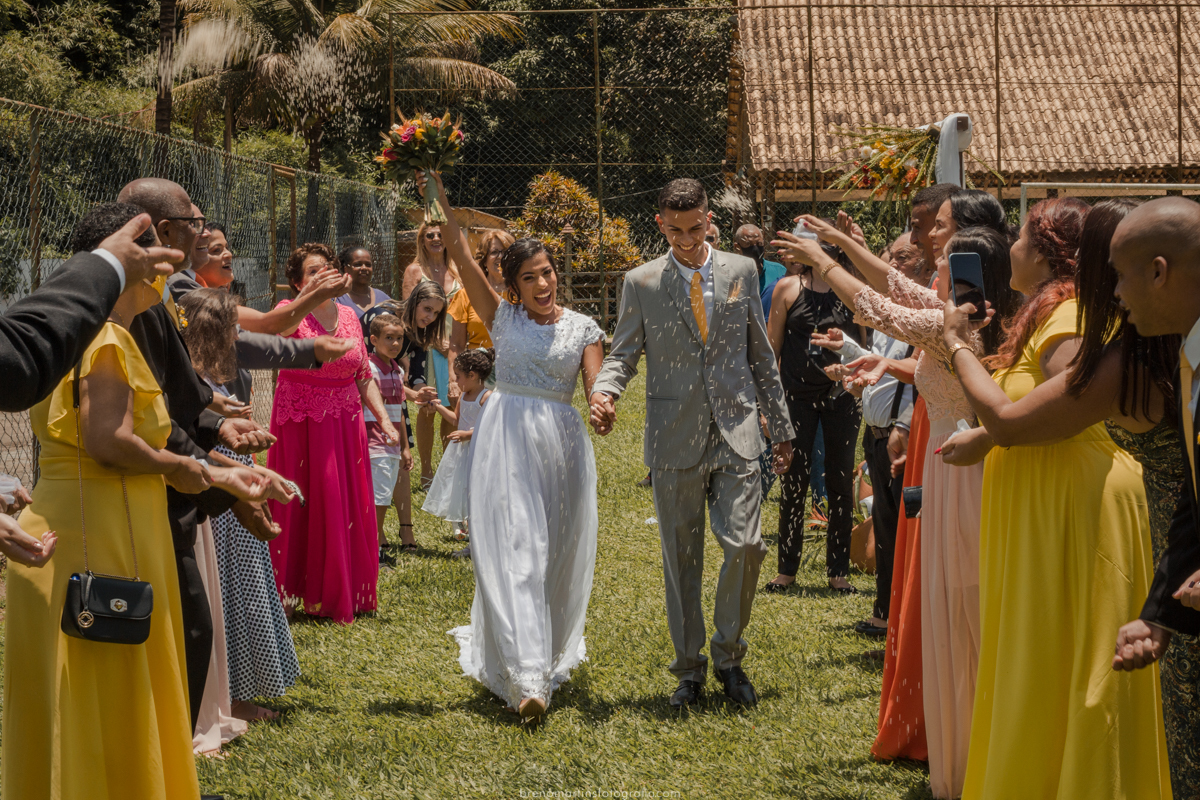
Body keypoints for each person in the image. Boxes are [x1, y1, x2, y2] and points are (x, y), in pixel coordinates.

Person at [940, 198, 1196, 796]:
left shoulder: (1121, 356)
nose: (1112, 288)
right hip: (1173, 556)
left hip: (1144, 539)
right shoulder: (1160, 344)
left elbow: (1019, 419)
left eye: (1115, 273)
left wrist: (956, 344)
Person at [774, 212, 1021, 799]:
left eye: (947, 263)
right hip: (955, 470)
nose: (934, 268)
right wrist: (839, 242)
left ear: (972, 275)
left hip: (963, 477)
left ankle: (975, 751)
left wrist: (824, 260)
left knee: (963, 609)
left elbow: (881, 307)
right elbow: (895, 287)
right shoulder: (964, 315)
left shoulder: (955, 325)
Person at [3, 252, 203, 798]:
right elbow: (107, 442)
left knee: (66, 693)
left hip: (70, 524)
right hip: (103, 532)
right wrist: (180, 467)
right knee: (112, 684)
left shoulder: (70, 340)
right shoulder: (107, 338)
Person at [591, 178, 794, 708]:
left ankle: (729, 656)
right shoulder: (641, 281)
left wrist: (781, 427)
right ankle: (689, 670)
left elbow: (760, 354)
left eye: (695, 228)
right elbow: (622, 353)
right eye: (675, 230)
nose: (686, 240)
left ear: (709, 220)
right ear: (660, 224)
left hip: (738, 430)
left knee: (746, 546)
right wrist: (604, 391)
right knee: (681, 560)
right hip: (673, 434)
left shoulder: (741, 270)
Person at [84, 194, 279, 741]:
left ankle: (163, 758)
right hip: (116, 513)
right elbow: (113, 440)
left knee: (182, 631)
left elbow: (170, 411)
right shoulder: (109, 337)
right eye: (192, 224)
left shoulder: (131, 321)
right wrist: (216, 476)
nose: (172, 265)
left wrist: (222, 457)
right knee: (166, 633)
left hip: (143, 505)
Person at [422, 171, 605, 722]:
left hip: (562, 444)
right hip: (506, 439)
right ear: (514, 286)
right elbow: (460, 251)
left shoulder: (584, 327)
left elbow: (596, 386)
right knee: (518, 549)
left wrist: (602, 405)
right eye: (530, 277)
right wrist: (435, 189)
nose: (543, 284)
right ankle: (529, 680)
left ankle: (544, 651)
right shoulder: (501, 317)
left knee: (557, 553)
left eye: (547, 272)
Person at [1106, 198, 1200, 795]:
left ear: (1159, 271)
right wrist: (1160, 614)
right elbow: (1195, 498)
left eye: (1121, 276)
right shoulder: (1191, 354)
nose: (1116, 294)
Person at [178, 288, 302, 728]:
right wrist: (247, 475)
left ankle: (240, 690)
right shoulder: (188, 377)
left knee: (245, 589)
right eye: (229, 328)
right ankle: (230, 696)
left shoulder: (221, 370)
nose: (236, 336)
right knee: (228, 594)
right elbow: (192, 443)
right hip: (215, 487)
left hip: (234, 478)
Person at [267, 243, 400, 625]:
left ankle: (340, 591)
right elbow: (282, 331)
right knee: (299, 502)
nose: (322, 275)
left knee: (341, 502)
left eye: (326, 268)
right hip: (301, 423)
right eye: (313, 271)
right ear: (297, 282)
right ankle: (287, 591)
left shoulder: (349, 315)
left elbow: (363, 375)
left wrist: (384, 420)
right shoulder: (288, 310)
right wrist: (308, 298)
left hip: (344, 422)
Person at [810, 231, 929, 637]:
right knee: (886, 526)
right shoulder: (892, 318)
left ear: (925, 267)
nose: (892, 265)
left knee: (905, 531)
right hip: (876, 435)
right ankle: (885, 614)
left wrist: (902, 426)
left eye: (902, 257)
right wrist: (846, 349)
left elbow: (919, 375)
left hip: (901, 439)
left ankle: (902, 620)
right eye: (889, 256)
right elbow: (879, 364)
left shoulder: (921, 320)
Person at [763, 237, 864, 596]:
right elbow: (772, 349)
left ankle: (838, 571)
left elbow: (865, 344)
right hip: (797, 397)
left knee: (839, 481)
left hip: (842, 396)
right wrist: (770, 408)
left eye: (830, 250)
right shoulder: (788, 288)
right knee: (794, 480)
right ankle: (786, 570)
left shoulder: (851, 290)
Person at [362, 290, 449, 554]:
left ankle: (405, 529)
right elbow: (367, 373)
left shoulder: (421, 333)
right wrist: (410, 394)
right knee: (376, 479)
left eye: (436, 313)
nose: (430, 317)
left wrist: (422, 393)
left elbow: (415, 375)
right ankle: (376, 536)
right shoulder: (382, 317)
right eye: (427, 309)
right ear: (413, 302)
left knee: (400, 462)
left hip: (394, 403)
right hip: (368, 411)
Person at [403, 221, 462, 487]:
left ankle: (448, 471)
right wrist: (435, 341)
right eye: (430, 235)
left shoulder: (457, 268)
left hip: (456, 350)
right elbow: (409, 313)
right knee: (428, 408)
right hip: (426, 349)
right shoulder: (414, 270)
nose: (436, 238)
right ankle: (426, 471)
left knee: (451, 406)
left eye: (440, 234)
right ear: (422, 240)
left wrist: (455, 345)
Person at [422, 349, 494, 533]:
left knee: (477, 485)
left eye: (458, 376)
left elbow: (490, 427)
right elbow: (456, 420)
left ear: (472, 375)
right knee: (461, 485)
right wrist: (438, 406)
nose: (455, 381)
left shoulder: (487, 397)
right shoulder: (463, 395)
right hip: (462, 450)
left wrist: (467, 435)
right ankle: (462, 523)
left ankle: (478, 524)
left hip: (478, 449)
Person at [364, 313, 416, 562]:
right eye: (388, 338)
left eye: (399, 338)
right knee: (378, 500)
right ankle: (374, 552)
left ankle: (372, 549)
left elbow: (399, 412)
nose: (395, 343)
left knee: (381, 497)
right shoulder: (369, 369)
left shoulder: (397, 370)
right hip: (374, 444)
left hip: (392, 447)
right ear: (374, 339)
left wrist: (405, 447)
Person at [734, 223, 786, 301]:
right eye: (748, 244)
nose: (755, 249)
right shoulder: (731, 274)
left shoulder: (779, 271)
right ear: (737, 247)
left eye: (759, 243)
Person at [335, 246, 391, 317]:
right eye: (358, 264)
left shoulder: (383, 298)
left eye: (368, 265)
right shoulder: (338, 299)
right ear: (346, 269)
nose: (364, 268)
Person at [476, 228, 516, 294]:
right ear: (484, 260)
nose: (500, 256)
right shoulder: (470, 292)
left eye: (505, 251)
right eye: (494, 252)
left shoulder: (522, 291)